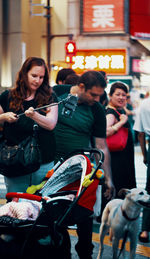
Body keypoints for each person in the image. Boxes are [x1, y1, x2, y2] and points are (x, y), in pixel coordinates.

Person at [54, 70, 115, 259]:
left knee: (84, 216)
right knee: (55, 216)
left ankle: (85, 253)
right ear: (81, 87)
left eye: (100, 95)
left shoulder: (96, 109)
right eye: (93, 94)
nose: (97, 99)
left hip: (81, 169)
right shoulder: (57, 93)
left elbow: (101, 145)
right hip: (52, 167)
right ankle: (62, 253)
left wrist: (108, 179)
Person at [0, 57, 58, 193]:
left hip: (44, 161)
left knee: (41, 205)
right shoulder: (8, 96)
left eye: (41, 77)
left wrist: (34, 115)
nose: (37, 80)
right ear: (24, 74)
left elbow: (51, 124)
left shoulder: (50, 96)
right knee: (16, 205)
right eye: (34, 76)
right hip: (15, 162)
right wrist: (4, 117)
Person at [106, 82, 136, 197]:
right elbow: (105, 132)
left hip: (123, 158)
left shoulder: (119, 111)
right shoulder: (111, 113)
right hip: (117, 160)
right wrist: (121, 123)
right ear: (110, 95)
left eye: (124, 95)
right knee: (120, 189)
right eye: (118, 94)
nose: (121, 97)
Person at [133, 97, 150, 243]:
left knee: (149, 189)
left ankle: (145, 230)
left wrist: (145, 156)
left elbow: (141, 134)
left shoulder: (145, 104)